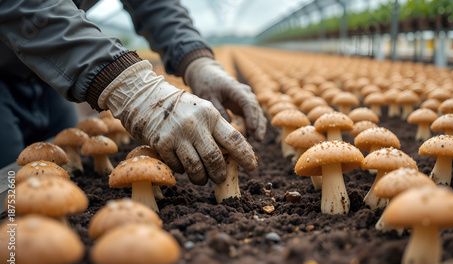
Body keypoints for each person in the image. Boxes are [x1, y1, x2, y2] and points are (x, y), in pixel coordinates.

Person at [0, 0, 267, 185]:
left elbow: (154, 4)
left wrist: (196, 59)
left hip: (48, 74)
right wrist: (133, 90)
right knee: (12, 193)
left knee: (67, 173)